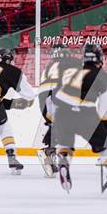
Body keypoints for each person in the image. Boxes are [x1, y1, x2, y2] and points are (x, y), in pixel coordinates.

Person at [49, 43, 107, 197]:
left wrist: (54, 118)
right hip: (85, 113)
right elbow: (105, 107)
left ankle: (63, 160)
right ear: (100, 58)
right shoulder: (104, 76)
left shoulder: (71, 72)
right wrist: (104, 125)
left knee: (65, 145)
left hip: (62, 112)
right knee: (106, 150)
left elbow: (53, 97)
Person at [37, 44, 80, 177]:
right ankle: (49, 151)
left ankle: (50, 151)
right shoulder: (71, 65)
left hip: (46, 101)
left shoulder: (48, 68)